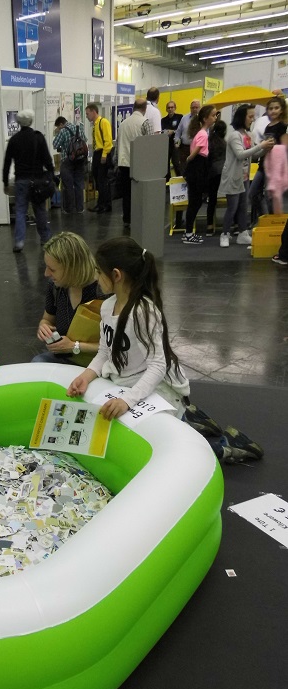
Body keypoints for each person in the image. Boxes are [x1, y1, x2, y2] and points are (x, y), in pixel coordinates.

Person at [66, 237, 265, 464]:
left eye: (98, 271)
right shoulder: (107, 307)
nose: (95, 277)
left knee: (171, 451)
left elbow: (158, 365)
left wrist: (127, 401)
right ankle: (189, 417)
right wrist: (86, 376)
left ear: (116, 275)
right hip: (127, 385)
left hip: (154, 388)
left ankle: (229, 445)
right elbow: (104, 351)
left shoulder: (143, 312)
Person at [33, 231, 101, 365]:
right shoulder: (55, 287)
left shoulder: (104, 292)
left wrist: (74, 346)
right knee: (37, 363)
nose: (46, 273)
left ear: (72, 268)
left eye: (52, 269)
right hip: (65, 357)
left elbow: (116, 346)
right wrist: (44, 326)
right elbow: (47, 319)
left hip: (97, 362)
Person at [218, 105, 274, 248]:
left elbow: (253, 155)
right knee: (232, 207)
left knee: (243, 207)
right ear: (242, 117)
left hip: (244, 177)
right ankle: (225, 234)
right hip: (233, 177)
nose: (252, 119)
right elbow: (240, 154)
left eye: (253, 116)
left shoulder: (249, 135)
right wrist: (261, 146)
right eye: (250, 116)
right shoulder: (234, 136)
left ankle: (243, 233)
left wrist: (265, 149)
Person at [2, 108, 55, 252]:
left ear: (19, 123)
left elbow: (7, 162)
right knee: (39, 209)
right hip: (37, 180)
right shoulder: (38, 137)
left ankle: (19, 242)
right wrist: (51, 174)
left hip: (21, 180)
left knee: (20, 211)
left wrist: (5, 182)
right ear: (31, 121)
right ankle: (45, 238)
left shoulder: (14, 140)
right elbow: (47, 158)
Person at [182, 105, 217, 245]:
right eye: (213, 115)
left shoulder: (201, 132)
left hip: (197, 168)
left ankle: (188, 232)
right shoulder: (203, 134)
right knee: (195, 202)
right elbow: (195, 152)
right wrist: (189, 159)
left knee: (195, 202)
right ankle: (188, 233)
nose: (215, 118)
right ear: (205, 118)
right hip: (197, 169)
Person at [249, 96, 288, 224]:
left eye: (276, 108)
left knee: (271, 195)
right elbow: (265, 146)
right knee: (253, 193)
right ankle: (264, 217)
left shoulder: (283, 126)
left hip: (275, 167)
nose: (273, 111)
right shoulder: (268, 127)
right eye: (270, 108)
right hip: (264, 164)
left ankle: (273, 221)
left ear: (282, 110)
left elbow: (285, 147)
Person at [115, 97, 152, 228]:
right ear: (145, 109)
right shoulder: (145, 122)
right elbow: (150, 144)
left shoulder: (123, 123)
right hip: (139, 164)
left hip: (124, 163)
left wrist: (116, 161)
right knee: (140, 193)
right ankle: (139, 218)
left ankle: (127, 219)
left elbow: (118, 144)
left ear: (133, 108)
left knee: (127, 194)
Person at [52, 116, 88, 215]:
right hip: (80, 160)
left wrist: (57, 133)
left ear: (61, 124)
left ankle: (69, 209)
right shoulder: (78, 128)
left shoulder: (63, 131)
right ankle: (80, 208)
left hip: (67, 161)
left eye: (58, 127)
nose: (58, 129)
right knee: (79, 184)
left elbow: (55, 145)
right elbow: (85, 140)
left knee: (68, 185)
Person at [85, 103, 114, 214]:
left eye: (88, 114)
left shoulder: (103, 122)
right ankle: (101, 203)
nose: (87, 116)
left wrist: (104, 155)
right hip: (97, 153)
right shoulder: (95, 125)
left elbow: (108, 140)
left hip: (103, 153)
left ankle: (105, 205)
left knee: (102, 180)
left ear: (94, 112)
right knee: (98, 179)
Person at [205, 119, 227, 236]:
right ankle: (234, 224)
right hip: (223, 172)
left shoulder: (209, 141)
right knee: (231, 198)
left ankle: (209, 226)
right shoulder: (224, 143)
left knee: (212, 200)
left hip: (212, 173)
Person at [175, 99, 202, 173]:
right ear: (190, 108)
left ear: (200, 108)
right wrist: (176, 141)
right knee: (184, 169)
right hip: (185, 148)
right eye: (193, 107)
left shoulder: (203, 119)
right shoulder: (184, 118)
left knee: (196, 170)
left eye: (196, 107)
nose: (194, 109)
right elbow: (178, 132)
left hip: (198, 149)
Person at [161, 100, 183, 179]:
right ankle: (168, 182)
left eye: (172, 107)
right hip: (166, 145)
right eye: (168, 108)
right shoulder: (163, 120)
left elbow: (182, 130)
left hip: (176, 145)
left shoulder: (180, 117)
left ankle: (180, 181)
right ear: (166, 109)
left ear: (175, 108)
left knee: (176, 164)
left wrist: (173, 131)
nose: (170, 109)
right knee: (165, 165)